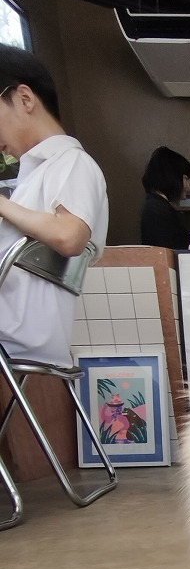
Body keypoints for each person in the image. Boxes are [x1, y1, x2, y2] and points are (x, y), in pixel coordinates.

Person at [0, 44, 108, 368]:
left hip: (16, 333)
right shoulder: (37, 173)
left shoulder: (72, 162)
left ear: (24, 98)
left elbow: (70, 235)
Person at [140, 147, 190, 249]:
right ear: (172, 177)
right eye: (185, 179)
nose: (188, 186)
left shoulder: (156, 207)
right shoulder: (158, 211)